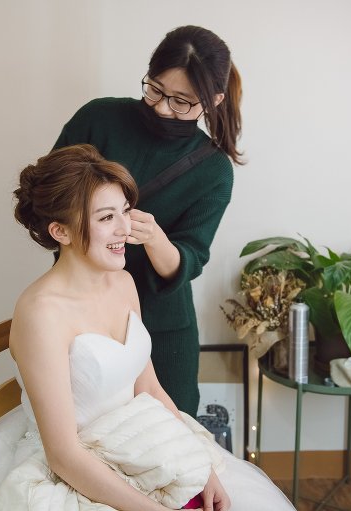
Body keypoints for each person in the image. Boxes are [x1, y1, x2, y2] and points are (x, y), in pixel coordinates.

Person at [0, 145, 294, 511]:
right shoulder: (41, 314)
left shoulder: (123, 282)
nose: (125, 227)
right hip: (74, 467)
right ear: (60, 231)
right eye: (106, 217)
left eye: (125, 210)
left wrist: (200, 467)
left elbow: (149, 387)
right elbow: (64, 455)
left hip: (136, 442)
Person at [53, 26, 242, 417]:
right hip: (79, 310)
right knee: (86, 427)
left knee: (172, 429)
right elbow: (49, 197)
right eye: (155, 89)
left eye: (181, 101)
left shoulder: (214, 171)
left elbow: (188, 261)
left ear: (213, 100)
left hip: (161, 328)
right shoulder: (99, 119)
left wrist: (155, 238)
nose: (161, 108)